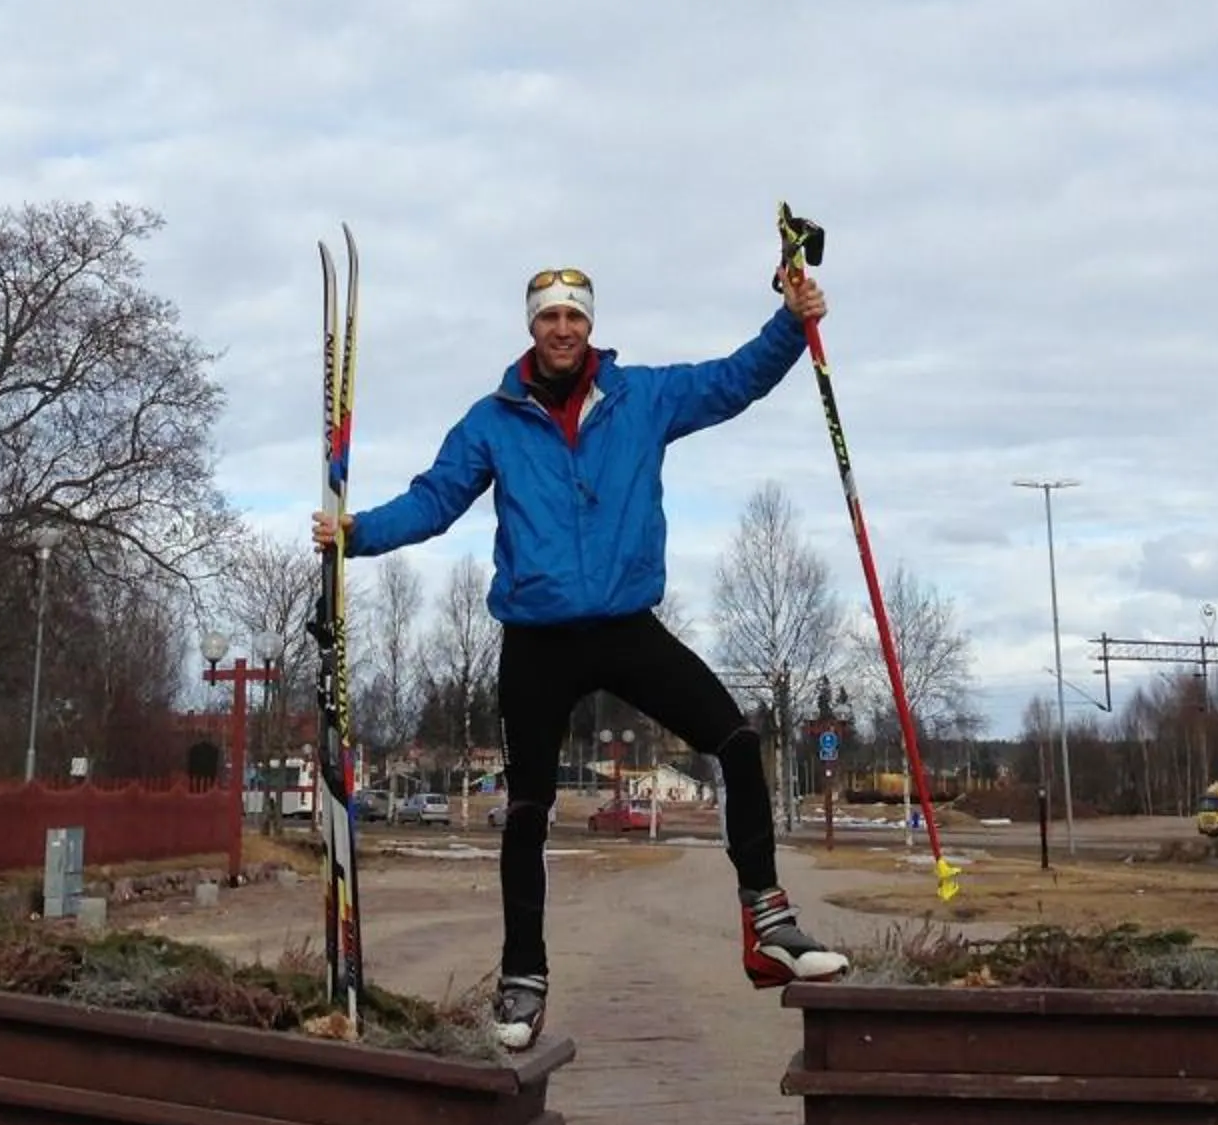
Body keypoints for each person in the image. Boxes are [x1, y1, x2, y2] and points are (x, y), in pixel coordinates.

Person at [313, 259, 850, 1052]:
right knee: (528, 810)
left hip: (627, 625)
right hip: (537, 638)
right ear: (531, 327)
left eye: (574, 316)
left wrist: (793, 322)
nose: (562, 329)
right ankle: (522, 980)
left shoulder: (644, 398)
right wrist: (357, 534)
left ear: (590, 325)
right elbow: (434, 500)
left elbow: (736, 380)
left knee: (737, 742)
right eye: (548, 317)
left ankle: (769, 926)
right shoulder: (494, 420)